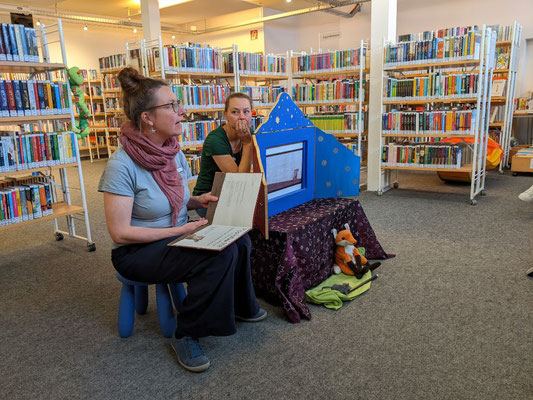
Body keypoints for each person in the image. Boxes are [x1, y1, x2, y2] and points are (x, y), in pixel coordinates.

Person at [98, 68, 266, 373]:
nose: (183, 111)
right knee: (218, 256)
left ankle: (242, 306)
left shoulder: (170, 152)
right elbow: (120, 233)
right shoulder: (120, 166)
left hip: (175, 234)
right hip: (137, 251)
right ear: (148, 118)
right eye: (173, 106)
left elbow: (166, 201)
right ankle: (185, 332)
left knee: (239, 237)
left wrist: (194, 202)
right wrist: (181, 229)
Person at [192, 92, 254, 216]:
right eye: (235, 112)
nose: (242, 117)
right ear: (226, 115)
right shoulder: (215, 139)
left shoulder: (249, 134)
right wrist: (247, 144)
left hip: (233, 196)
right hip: (209, 198)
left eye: (246, 111)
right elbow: (239, 181)